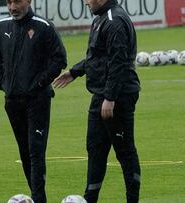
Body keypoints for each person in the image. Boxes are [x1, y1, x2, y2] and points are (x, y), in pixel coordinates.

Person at [53, 0, 141, 202]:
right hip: (101, 95)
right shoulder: (101, 18)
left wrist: (110, 97)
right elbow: (97, 57)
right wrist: (75, 71)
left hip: (118, 96)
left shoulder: (114, 20)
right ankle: (89, 198)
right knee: (95, 148)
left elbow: (117, 61)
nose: (85, 2)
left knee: (125, 151)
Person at [0, 0, 67, 202]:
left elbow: (60, 59)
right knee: (24, 151)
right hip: (12, 101)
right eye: (9, 2)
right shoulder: (1, 27)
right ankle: (36, 195)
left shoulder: (43, 26)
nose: (13, 7)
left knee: (36, 151)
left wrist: (39, 82)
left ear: (29, 1)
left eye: (18, 2)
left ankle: (39, 199)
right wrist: (1, 80)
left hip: (38, 100)